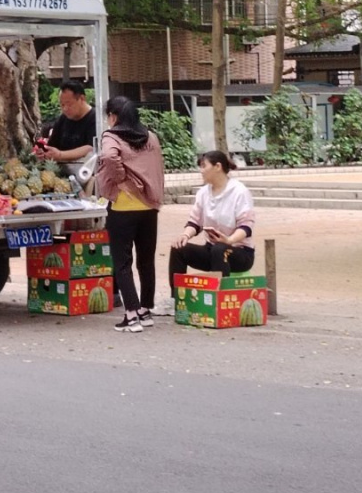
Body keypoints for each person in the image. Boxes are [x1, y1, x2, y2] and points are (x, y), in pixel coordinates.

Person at [95, 96, 165, 334]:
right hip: (149, 207)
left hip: (123, 208)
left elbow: (108, 157)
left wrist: (120, 178)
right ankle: (145, 310)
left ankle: (131, 315)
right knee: (146, 261)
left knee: (123, 262)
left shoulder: (111, 136)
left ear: (113, 116)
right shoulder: (151, 137)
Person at [169, 150, 256, 297]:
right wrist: (185, 235)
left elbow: (246, 226)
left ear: (217, 167)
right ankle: (177, 299)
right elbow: (195, 222)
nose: (200, 171)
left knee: (220, 249)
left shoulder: (239, 191)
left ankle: (220, 300)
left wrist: (229, 240)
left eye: (204, 166)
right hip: (211, 250)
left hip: (239, 252)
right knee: (179, 248)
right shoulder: (203, 193)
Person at [39, 80, 97, 167]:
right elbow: (52, 145)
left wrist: (61, 155)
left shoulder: (95, 118)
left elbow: (90, 148)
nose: (65, 109)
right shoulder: (63, 119)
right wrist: (45, 153)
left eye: (69, 104)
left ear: (82, 99)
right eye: (62, 105)